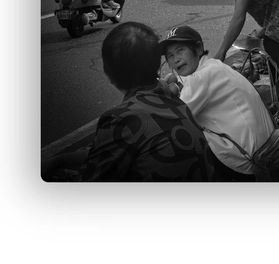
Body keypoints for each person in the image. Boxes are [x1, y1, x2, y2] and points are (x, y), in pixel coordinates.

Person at [41, 22, 216, 182]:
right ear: (157, 65)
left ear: (109, 74)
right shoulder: (176, 101)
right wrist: (61, 160)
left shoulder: (121, 119)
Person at [160, 26, 276, 182]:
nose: (176, 59)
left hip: (250, 164)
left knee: (178, 136)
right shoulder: (214, 65)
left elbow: (172, 119)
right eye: (170, 56)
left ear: (198, 49)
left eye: (180, 50)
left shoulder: (199, 78)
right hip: (270, 153)